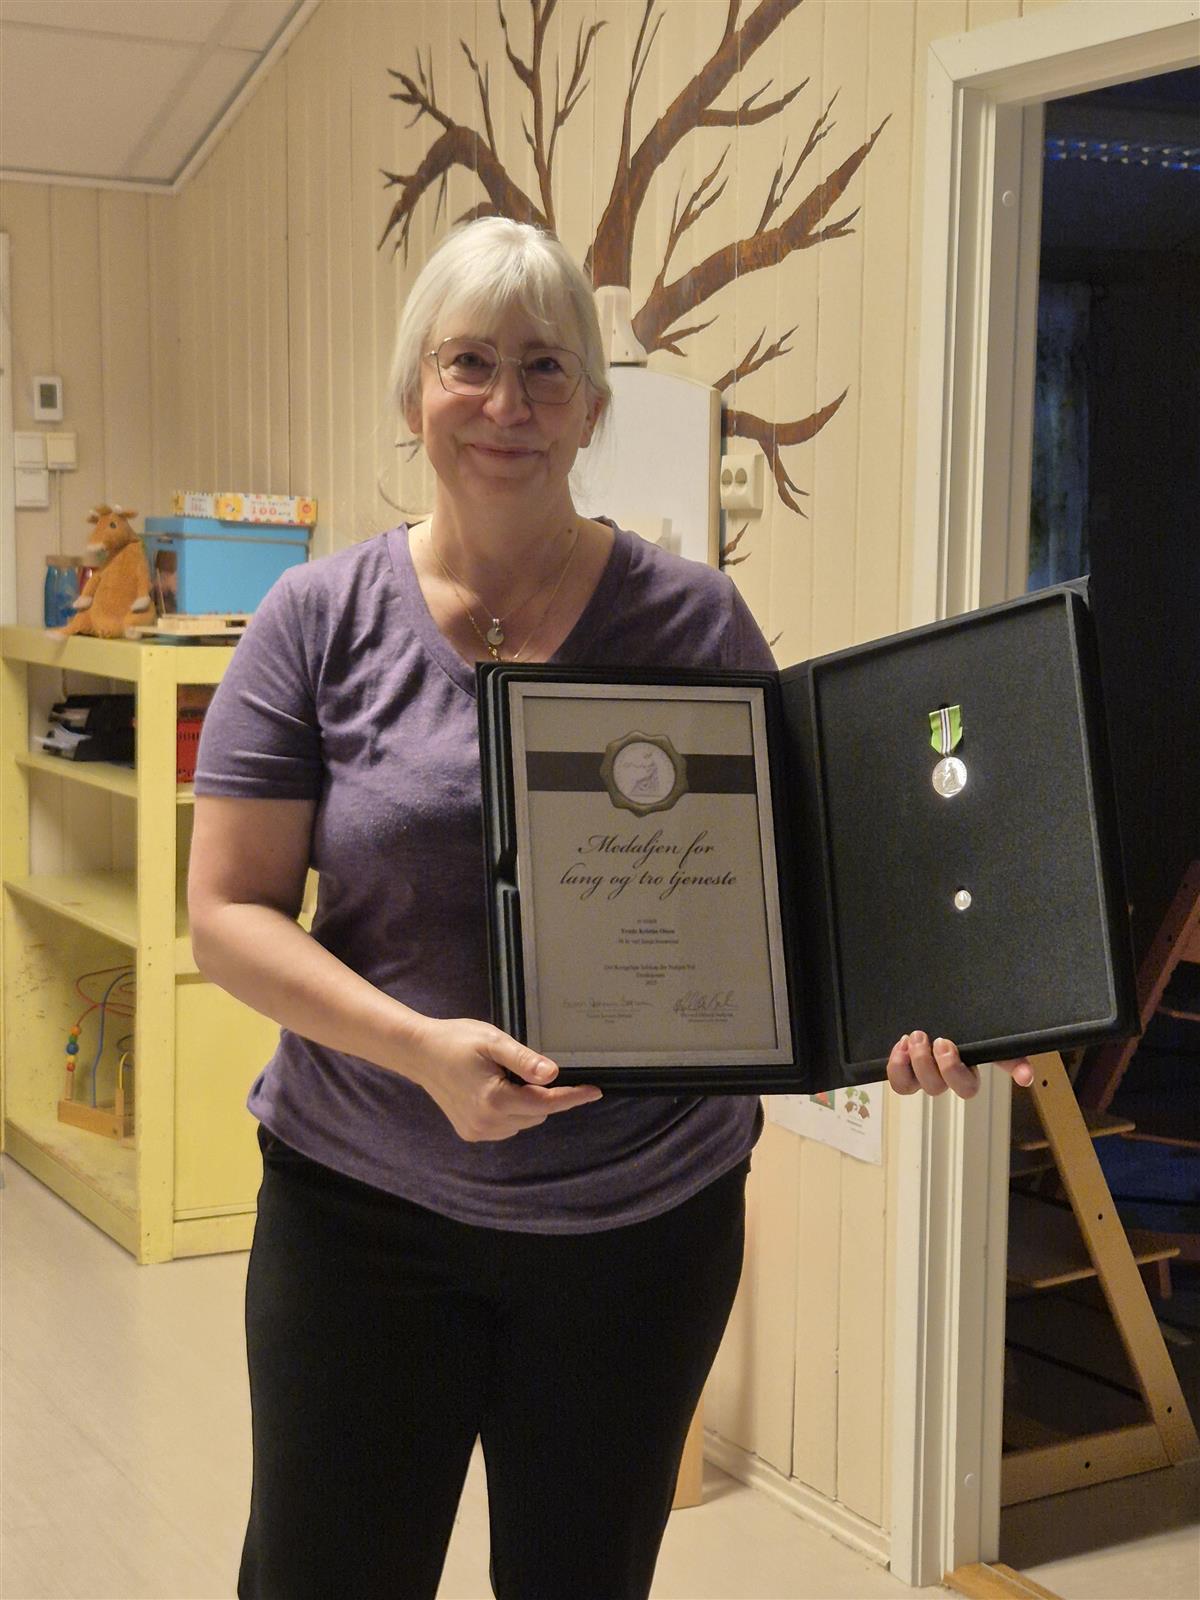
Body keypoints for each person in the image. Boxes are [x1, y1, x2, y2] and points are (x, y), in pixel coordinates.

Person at [188, 216, 1033, 1600]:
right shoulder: (316, 619)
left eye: (546, 368)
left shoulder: (694, 623)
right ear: (414, 392)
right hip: (362, 1216)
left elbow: (791, 901)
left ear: (590, 406)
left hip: (642, 1227)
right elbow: (228, 912)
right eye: (469, 363)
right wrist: (418, 1051)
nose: (506, 403)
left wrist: (924, 1007)